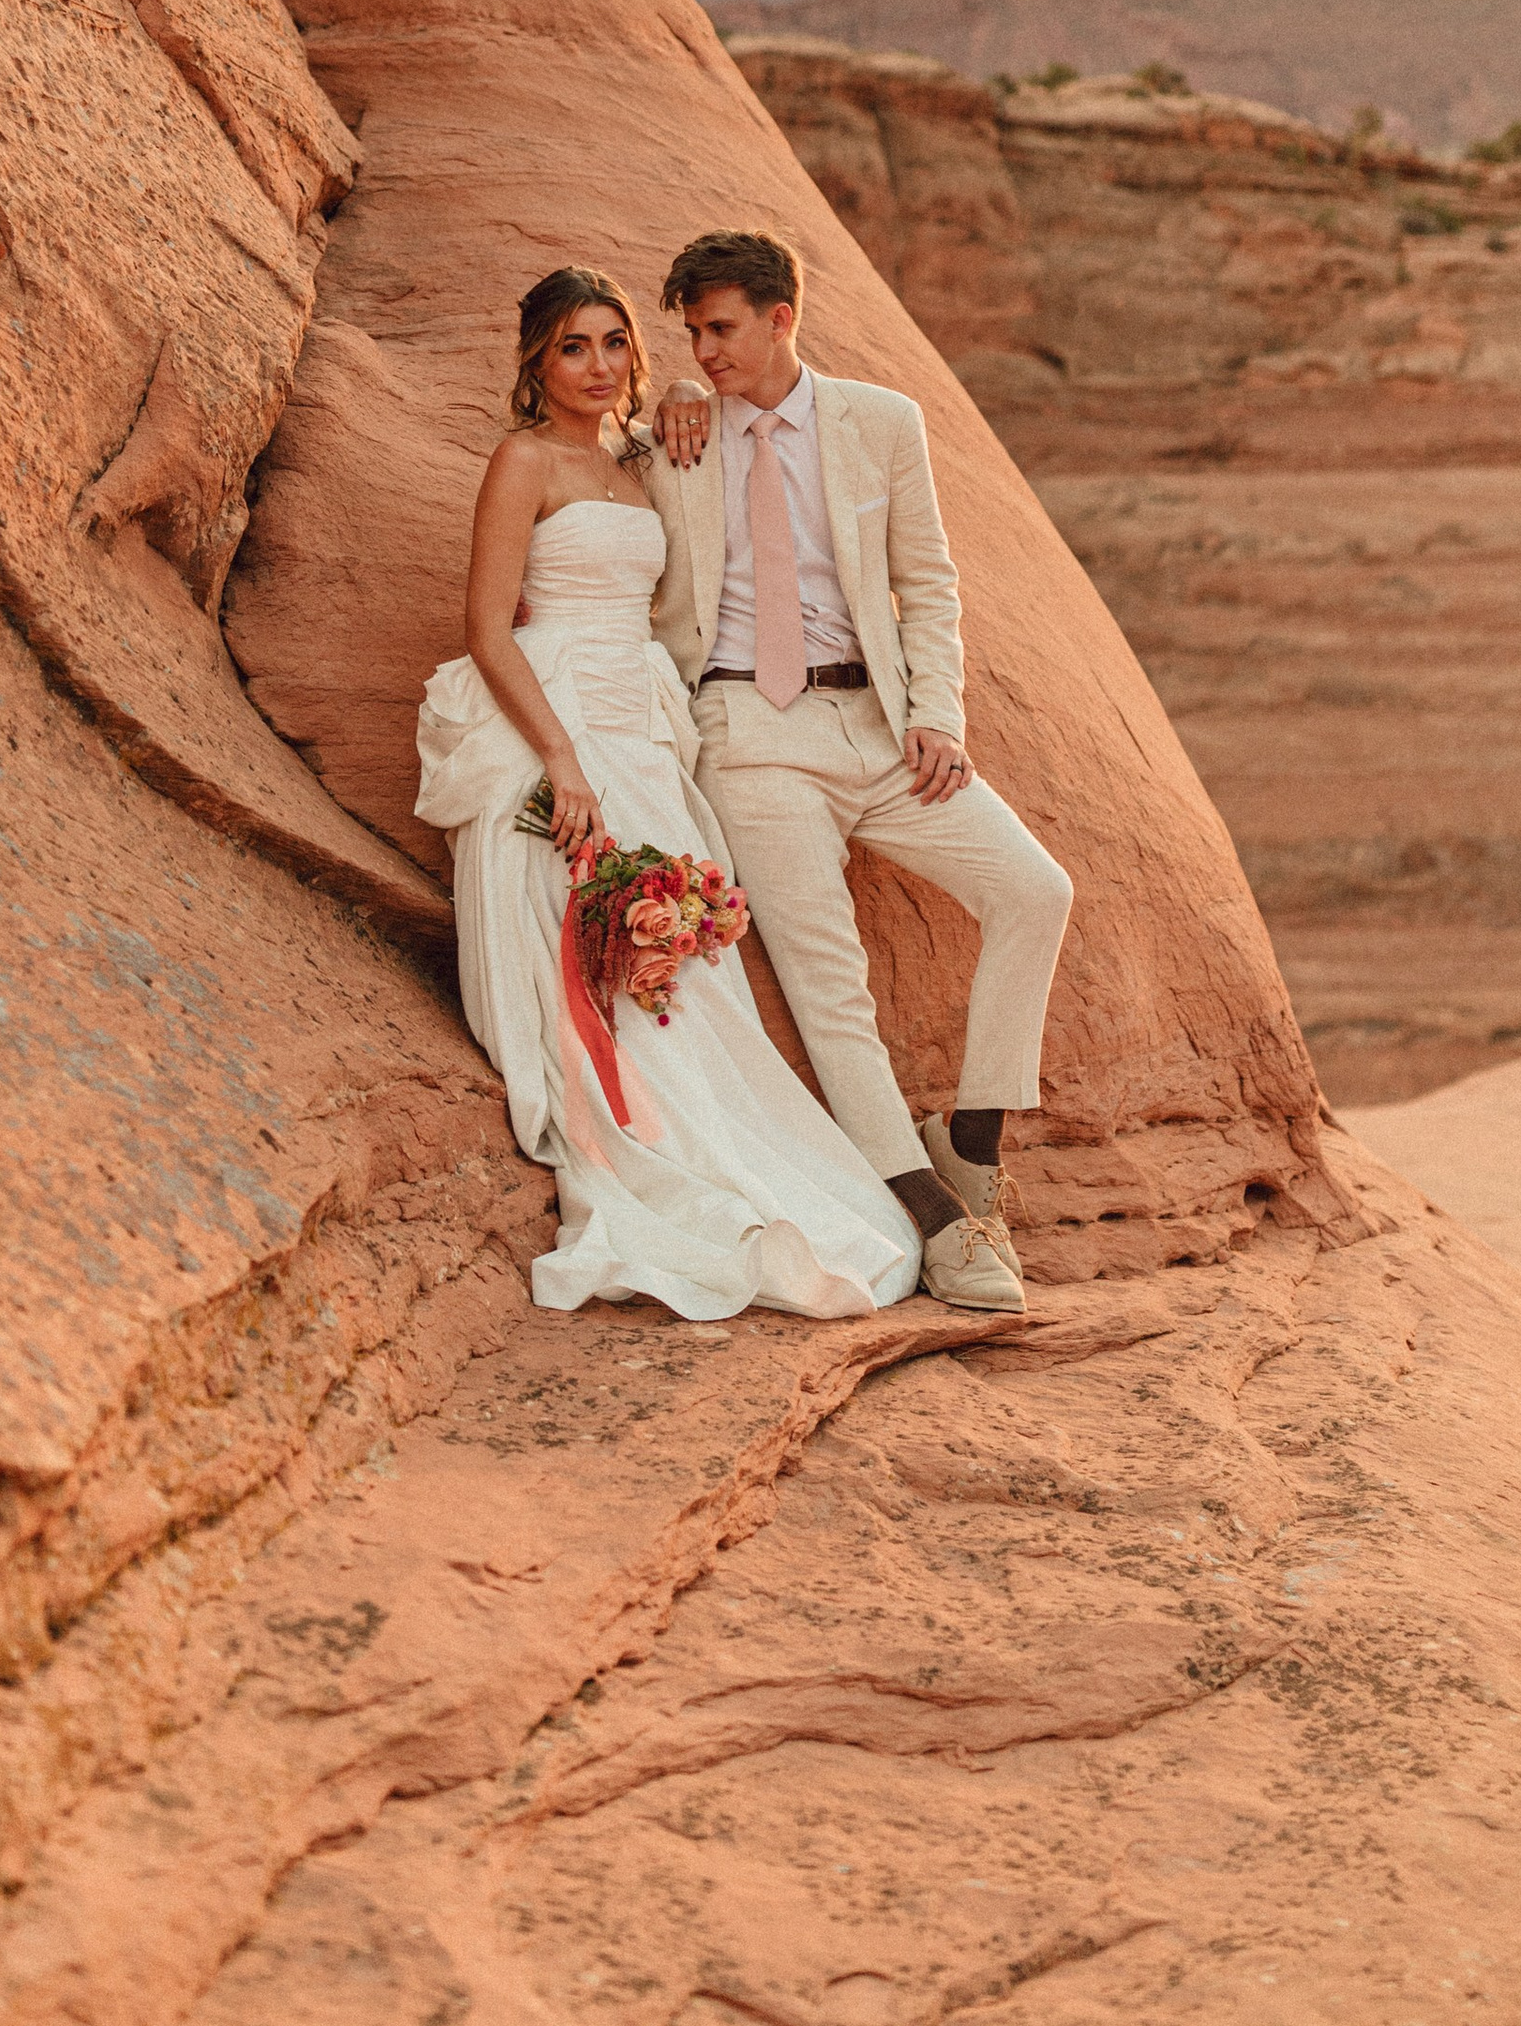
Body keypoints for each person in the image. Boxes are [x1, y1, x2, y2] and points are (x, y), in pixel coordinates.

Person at [415, 266, 924, 1323]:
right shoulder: (523, 462)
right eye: (571, 347)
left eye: (613, 344)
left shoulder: (644, 455)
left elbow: (719, 457)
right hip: (553, 714)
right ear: (534, 362)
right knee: (585, 945)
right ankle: (636, 1143)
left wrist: (690, 399)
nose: (596, 366)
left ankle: (730, 1147)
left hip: (643, 728)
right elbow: (483, 629)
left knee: (679, 957)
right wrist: (559, 761)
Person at [642, 229, 1072, 1313]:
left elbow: (927, 582)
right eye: (692, 331)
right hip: (746, 724)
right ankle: (941, 1223)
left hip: (877, 727)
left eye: (722, 327)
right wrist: (670, 401)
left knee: (1034, 890)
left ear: (783, 317)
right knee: (830, 987)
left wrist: (936, 713)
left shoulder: (882, 423)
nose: (704, 348)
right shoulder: (675, 433)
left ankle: (970, 1142)